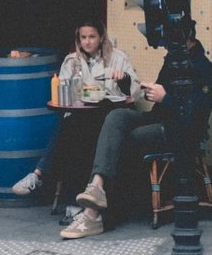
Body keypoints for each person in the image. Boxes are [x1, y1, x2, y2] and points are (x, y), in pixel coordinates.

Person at [59, 20, 212, 239]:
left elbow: (197, 115)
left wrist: (166, 98)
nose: (164, 44)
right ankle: (96, 186)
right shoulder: (173, 60)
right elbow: (157, 100)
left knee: (127, 139)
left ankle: (96, 216)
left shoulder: (202, 66)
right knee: (116, 116)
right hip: (158, 119)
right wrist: (149, 90)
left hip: (181, 131)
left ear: (184, 38)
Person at [13, 21, 136, 202]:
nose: (87, 42)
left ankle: (41, 175)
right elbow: (62, 90)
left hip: (107, 116)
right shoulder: (72, 60)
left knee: (76, 131)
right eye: (83, 37)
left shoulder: (118, 57)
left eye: (92, 37)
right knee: (72, 127)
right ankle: (40, 177)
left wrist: (123, 79)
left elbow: (135, 92)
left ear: (101, 37)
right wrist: (78, 89)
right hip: (81, 115)